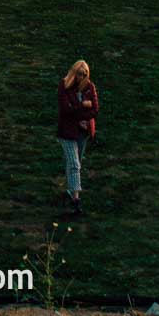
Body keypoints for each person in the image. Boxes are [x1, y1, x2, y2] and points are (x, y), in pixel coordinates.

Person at [55, 59, 98, 215]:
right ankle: (76, 199)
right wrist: (82, 107)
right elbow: (66, 110)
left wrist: (81, 114)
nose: (82, 77)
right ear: (74, 72)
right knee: (74, 164)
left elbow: (95, 109)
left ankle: (70, 189)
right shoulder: (64, 86)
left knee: (75, 162)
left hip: (82, 132)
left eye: (84, 74)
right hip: (67, 132)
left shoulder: (89, 87)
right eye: (79, 73)